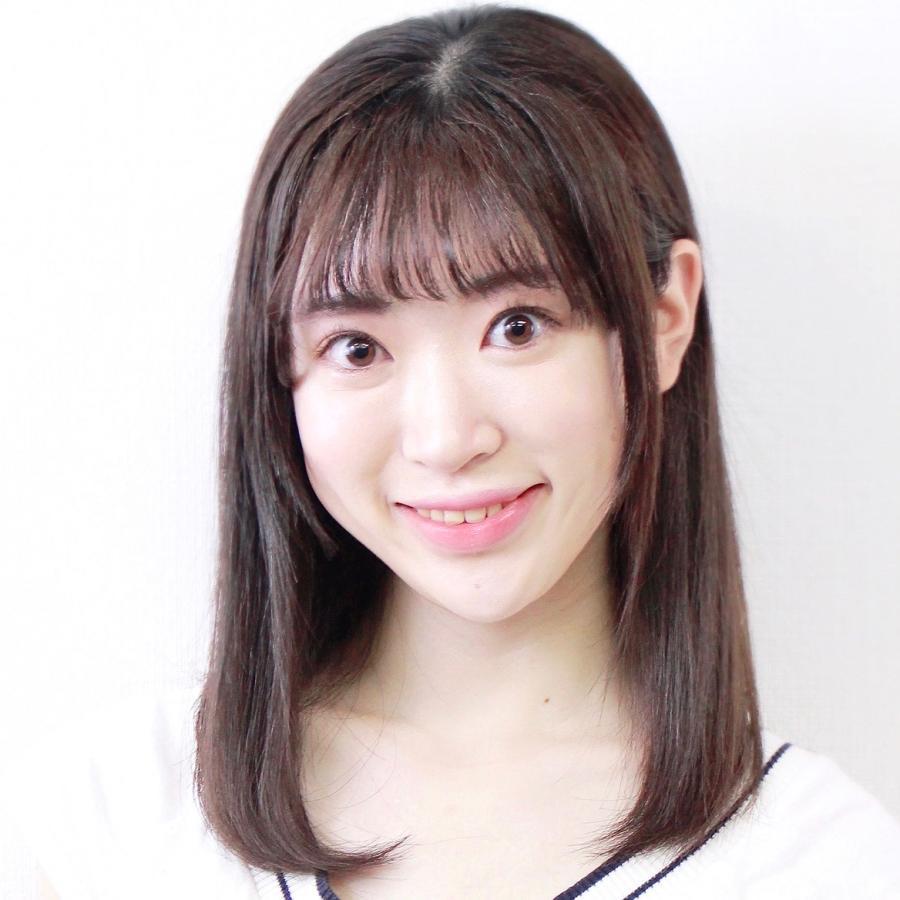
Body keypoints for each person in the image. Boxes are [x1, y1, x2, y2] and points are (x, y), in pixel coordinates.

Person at [21, 5, 900, 899]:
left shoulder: (821, 866)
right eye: (357, 348)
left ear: (665, 319)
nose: (445, 439)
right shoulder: (110, 825)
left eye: (518, 327)